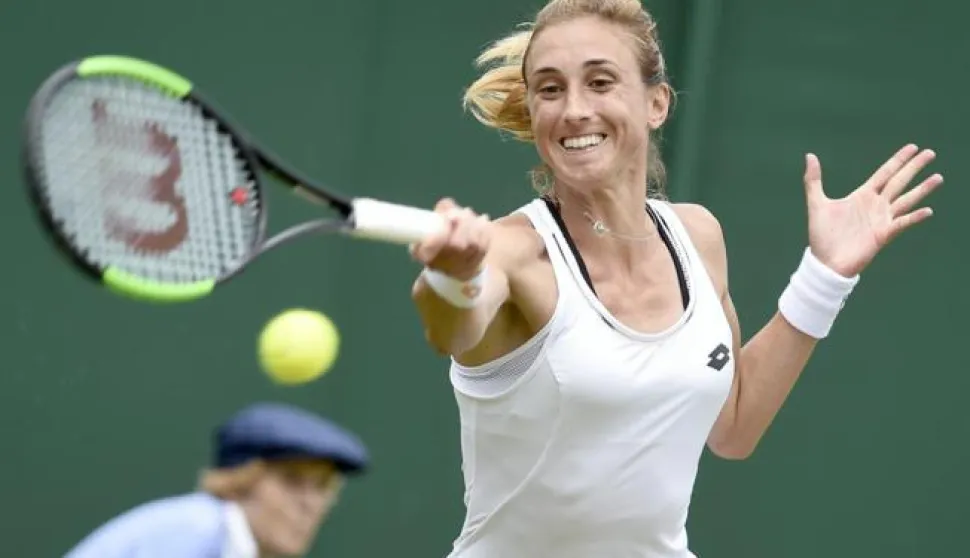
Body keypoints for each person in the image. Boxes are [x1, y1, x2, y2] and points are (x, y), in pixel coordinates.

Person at [408, 0, 943, 556]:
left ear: (656, 103)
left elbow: (734, 427)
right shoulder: (511, 251)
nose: (573, 110)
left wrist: (825, 275)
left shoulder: (698, 235)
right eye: (549, 89)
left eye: (600, 81)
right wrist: (453, 277)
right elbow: (451, 329)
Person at [63, 402, 369, 558]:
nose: (310, 504)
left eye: (322, 487)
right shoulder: (192, 533)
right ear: (238, 482)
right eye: (292, 481)